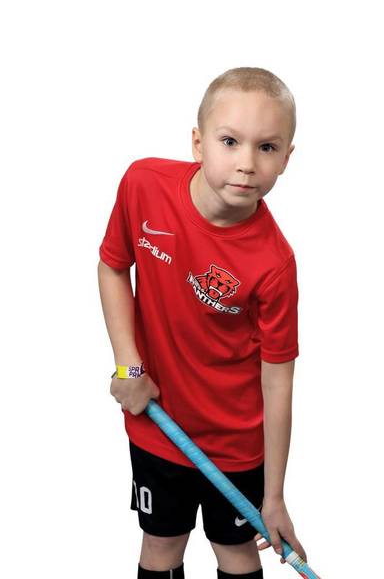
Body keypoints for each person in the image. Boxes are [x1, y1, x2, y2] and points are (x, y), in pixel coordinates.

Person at [98, 66, 308, 579]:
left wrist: (274, 496)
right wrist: (129, 367)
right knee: (161, 544)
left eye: (266, 147)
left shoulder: (274, 264)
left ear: (286, 158)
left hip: (236, 446)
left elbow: (277, 381)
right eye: (230, 141)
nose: (246, 164)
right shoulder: (143, 184)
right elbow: (113, 266)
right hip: (158, 423)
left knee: (235, 555)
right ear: (198, 143)